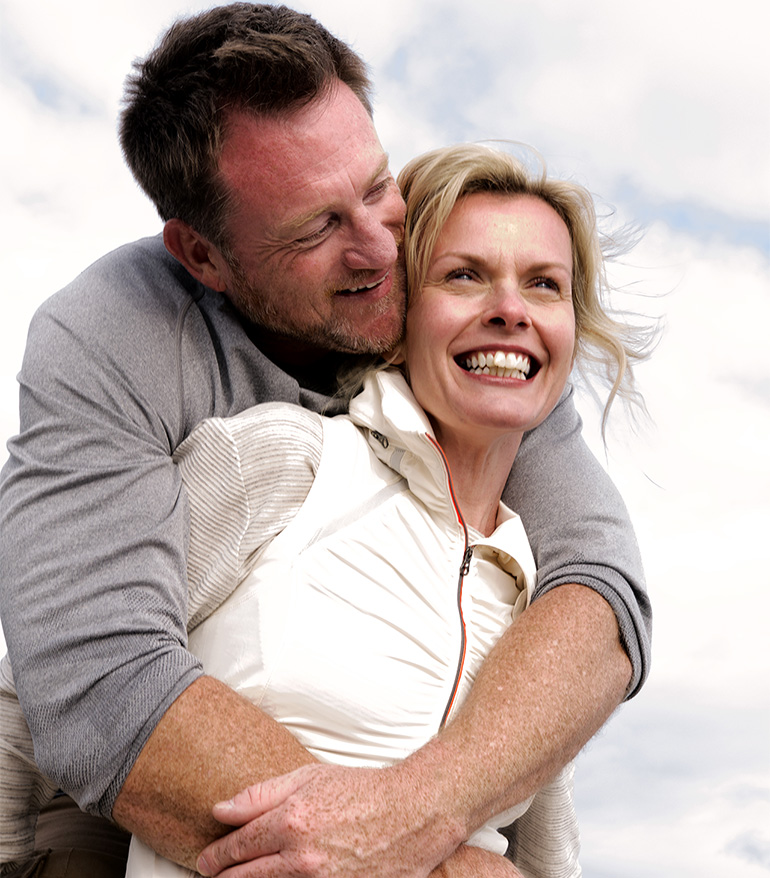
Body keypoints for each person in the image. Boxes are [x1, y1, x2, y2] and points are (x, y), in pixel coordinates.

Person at [0, 5, 650, 877]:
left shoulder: (450, 317)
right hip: (101, 795)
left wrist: (425, 813)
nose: (381, 250)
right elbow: (100, 683)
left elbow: (599, 588)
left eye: (377, 186)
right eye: (317, 228)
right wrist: (435, 859)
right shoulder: (115, 340)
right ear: (203, 256)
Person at [123, 140, 650, 878]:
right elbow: (51, 685)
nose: (509, 311)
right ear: (399, 310)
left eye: (544, 285)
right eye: (463, 275)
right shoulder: (281, 461)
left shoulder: (541, 597)